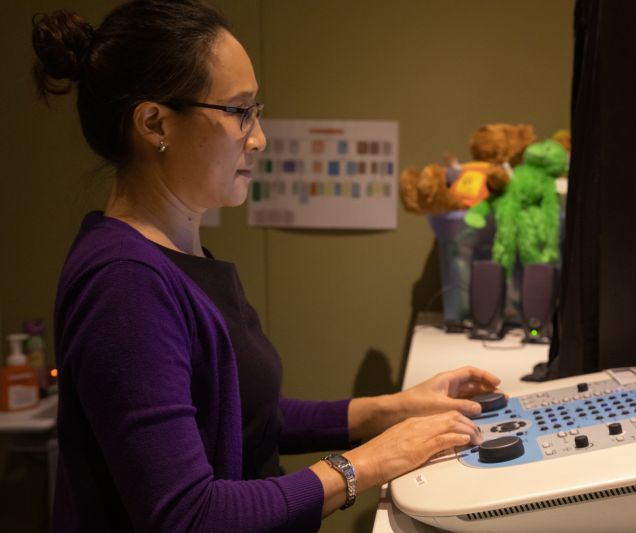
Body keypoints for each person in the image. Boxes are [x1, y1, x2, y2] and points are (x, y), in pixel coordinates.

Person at [32, 1, 502, 531]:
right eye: (239, 112)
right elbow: (188, 517)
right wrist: (369, 462)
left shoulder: (175, 256)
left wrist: (392, 409)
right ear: (153, 122)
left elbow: (248, 418)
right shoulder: (123, 285)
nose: (258, 137)